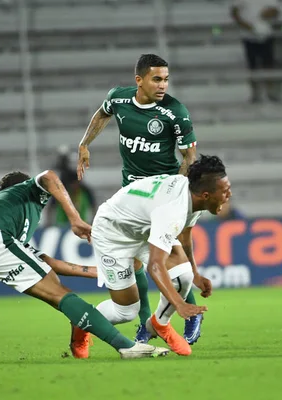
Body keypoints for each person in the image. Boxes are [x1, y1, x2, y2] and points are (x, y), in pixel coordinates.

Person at [0, 169, 168, 365]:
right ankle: (126, 347)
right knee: (60, 295)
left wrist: (100, 272)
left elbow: (45, 262)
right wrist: (74, 218)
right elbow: (49, 176)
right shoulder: (25, 193)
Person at [76, 54, 205, 345]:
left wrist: (178, 189)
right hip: (132, 192)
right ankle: (146, 324)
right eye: (157, 79)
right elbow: (101, 114)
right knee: (135, 260)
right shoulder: (119, 99)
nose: (163, 85)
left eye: (166, 79)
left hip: (163, 194)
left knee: (171, 255)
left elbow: (189, 156)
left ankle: (191, 313)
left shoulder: (175, 112)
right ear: (139, 80)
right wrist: (84, 144)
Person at [70, 155, 231, 357]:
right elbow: (155, 266)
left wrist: (196, 273)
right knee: (126, 311)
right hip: (113, 232)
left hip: (144, 228)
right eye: (225, 191)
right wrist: (180, 305)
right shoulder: (173, 210)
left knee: (184, 276)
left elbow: (185, 235)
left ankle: (159, 324)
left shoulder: (194, 193)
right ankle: (82, 322)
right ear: (206, 195)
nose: (229, 195)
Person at [230, 0, 280, 102]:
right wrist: (245, 25)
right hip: (248, 35)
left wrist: (267, 14)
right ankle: (255, 93)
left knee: (268, 64)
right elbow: (234, 12)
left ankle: (270, 92)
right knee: (252, 66)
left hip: (266, 33)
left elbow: (276, 10)